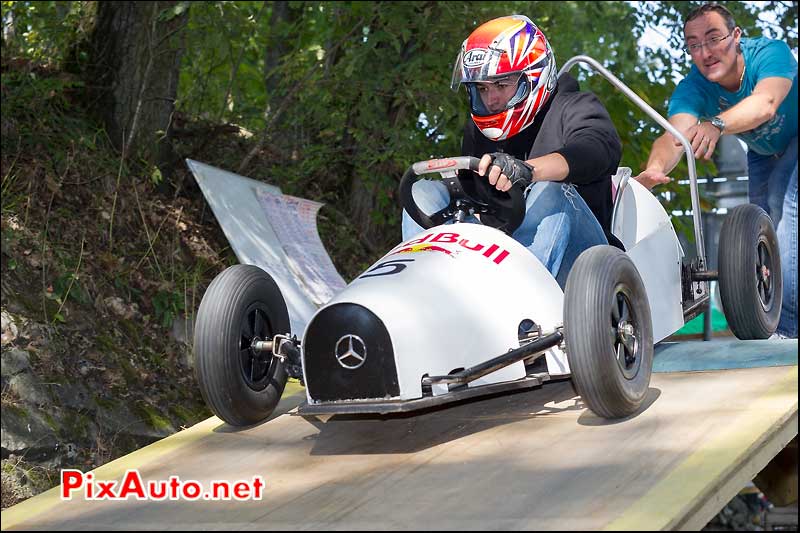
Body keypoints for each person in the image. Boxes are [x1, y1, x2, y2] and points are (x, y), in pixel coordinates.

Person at [402, 14, 622, 288]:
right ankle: (427, 292)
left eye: (501, 85)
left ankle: (519, 303)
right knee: (423, 191)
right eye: (482, 88)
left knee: (550, 190)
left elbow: (599, 149)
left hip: (588, 266)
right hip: (498, 255)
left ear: (533, 78)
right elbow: (473, 194)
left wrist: (529, 171)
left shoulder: (574, 105)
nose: (490, 99)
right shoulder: (478, 130)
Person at [633, 3, 797, 338]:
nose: (705, 52)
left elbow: (765, 104)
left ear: (736, 36)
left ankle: (788, 329)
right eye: (694, 44)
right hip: (764, 153)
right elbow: (674, 135)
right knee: (757, 227)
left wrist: (717, 124)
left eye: (713, 38)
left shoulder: (770, 52)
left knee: (785, 203)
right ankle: (767, 317)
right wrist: (653, 168)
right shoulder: (694, 87)